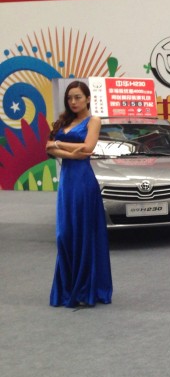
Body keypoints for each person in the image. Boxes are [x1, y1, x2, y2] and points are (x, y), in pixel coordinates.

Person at [46, 80, 112, 308]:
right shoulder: (63, 122)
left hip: (84, 182)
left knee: (84, 234)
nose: (73, 102)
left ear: (87, 99)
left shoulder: (94, 121)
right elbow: (48, 147)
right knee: (64, 234)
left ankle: (85, 289)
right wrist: (72, 150)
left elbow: (88, 149)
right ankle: (67, 288)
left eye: (77, 97)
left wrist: (59, 145)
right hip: (66, 184)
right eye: (69, 98)